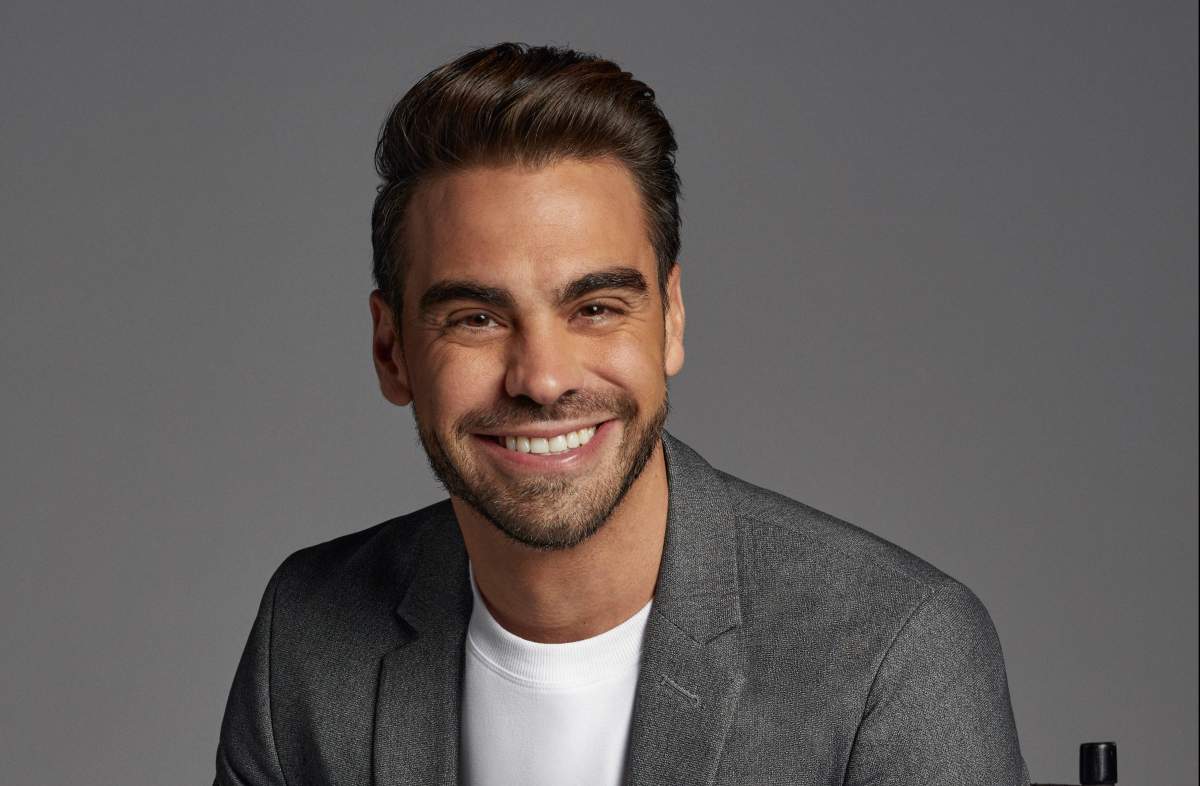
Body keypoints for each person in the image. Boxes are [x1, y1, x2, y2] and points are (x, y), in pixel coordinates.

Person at [215, 43, 1030, 786]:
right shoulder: (307, 635)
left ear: (670, 320)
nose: (542, 379)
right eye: (477, 318)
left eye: (596, 308)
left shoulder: (895, 653)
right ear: (391, 350)